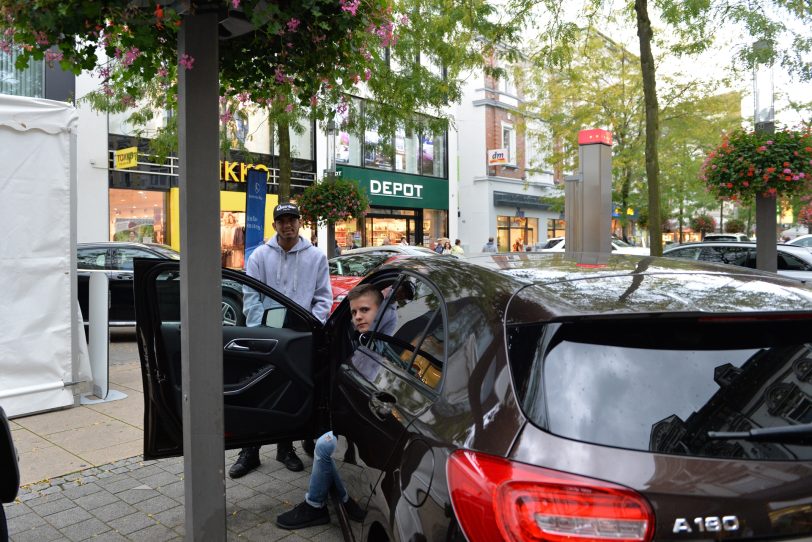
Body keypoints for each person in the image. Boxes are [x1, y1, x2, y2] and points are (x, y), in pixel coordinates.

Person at [230, 202, 332, 478]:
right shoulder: (260, 256)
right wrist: (259, 330)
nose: (287, 225)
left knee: (290, 391)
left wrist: (313, 325)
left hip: (300, 335)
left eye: (292, 220)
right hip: (267, 334)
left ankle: (285, 448)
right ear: (274, 225)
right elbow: (250, 296)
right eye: (282, 220)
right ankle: (249, 451)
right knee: (257, 391)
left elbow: (323, 296)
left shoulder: (316, 257)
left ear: (300, 223)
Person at [275, 284, 383, 530]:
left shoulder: (384, 343)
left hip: (380, 427)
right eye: (354, 312)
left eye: (365, 310)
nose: (357, 317)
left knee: (324, 447)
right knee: (326, 443)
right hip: (366, 419)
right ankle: (344, 501)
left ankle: (318, 505)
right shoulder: (367, 338)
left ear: (382, 311)